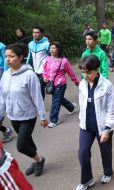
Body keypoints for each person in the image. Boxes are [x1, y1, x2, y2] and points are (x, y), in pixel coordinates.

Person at [0, 43, 48, 177]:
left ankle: (39, 159)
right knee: (27, 141)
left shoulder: (29, 75)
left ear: (21, 57)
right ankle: (36, 160)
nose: (8, 59)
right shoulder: (5, 75)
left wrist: (43, 117)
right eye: (6, 56)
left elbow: (37, 97)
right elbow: (2, 97)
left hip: (28, 115)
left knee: (21, 146)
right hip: (13, 115)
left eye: (12, 56)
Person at [76, 55, 114, 190]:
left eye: (88, 72)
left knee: (105, 152)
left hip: (102, 126)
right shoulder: (82, 84)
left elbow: (111, 110)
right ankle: (87, 180)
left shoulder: (107, 86)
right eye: (83, 72)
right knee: (82, 153)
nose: (85, 75)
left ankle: (108, 172)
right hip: (86, 126)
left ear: (97, 70)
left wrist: (107, 129)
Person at [43, 41, 80, 128]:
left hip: (60, 84)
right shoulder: (47, 59)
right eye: (50, 48)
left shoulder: (64, 61)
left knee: (55, 101)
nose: (51, 50)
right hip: (51, 83)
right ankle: (71, 107)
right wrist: (45, 76)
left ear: (58, 49)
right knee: (59, 99)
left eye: (54, 48)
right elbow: (44, 70)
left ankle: (54, 120)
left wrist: (77, 82)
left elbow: (71, 73)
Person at [26, 26, 50, 99]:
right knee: (39, 89)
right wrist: (26, 66)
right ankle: (70, 106)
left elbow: (52, 57)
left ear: (42, 33)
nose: (35, 34)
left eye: (37, 32)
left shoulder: (47, 44)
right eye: (33, 32)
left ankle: (40, 109)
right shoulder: (30, 44)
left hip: (44, 71)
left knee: (41, 89)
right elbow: (29, 56)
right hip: (35, 70)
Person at [0, 41, 14, 143]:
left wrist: (5, 73)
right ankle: (7, 130)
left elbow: (5, 61)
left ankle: (7, 130)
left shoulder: (2, 46)